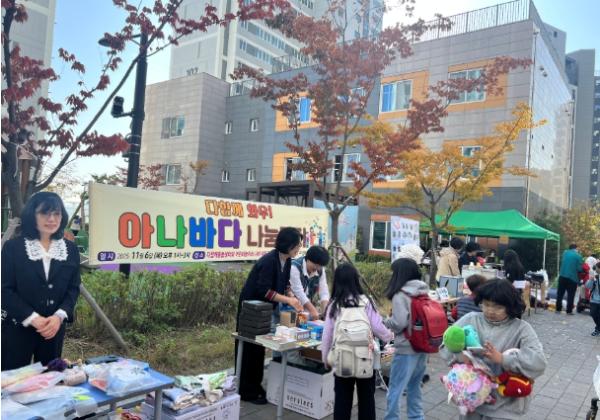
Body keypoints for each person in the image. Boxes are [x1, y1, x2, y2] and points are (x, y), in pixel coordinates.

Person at [440, 279, 547, 419]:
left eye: (498, 307)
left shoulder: (522, 329)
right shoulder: (471, 319)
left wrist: (503, 359)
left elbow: (539, 363)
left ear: (510, 306)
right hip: (472, 400)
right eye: (486, 304)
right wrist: (461, 356)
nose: (490, 311)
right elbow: (445, 346)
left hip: (505, 407)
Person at [1, 192, 81, 370]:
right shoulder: (13, 248)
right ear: (32, 215)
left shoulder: (70, 249)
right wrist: (33, 318)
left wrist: (59, 317)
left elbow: (73, 288)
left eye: (56, 213)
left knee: (50, 377)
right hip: (18, 326)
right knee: (13, 380)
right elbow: (4, 290)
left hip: (53, 328)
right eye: (45, 213)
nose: (51, 219)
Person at [236, 227, 304, 404]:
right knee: (249, 347)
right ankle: (245, 390)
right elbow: (264, 290)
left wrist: (291, 295)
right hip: (252, 308)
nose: (299, 248)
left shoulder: (287, 261)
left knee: (260, 347)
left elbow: (285, 284)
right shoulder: (268, 261)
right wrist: (288, 300)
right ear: (288, 245)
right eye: (297, 245)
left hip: (265, 309)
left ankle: (255, 385)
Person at [321, 263, 392, 420]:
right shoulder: (366, 301)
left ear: (337, 281)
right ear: (355, 280)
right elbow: (378, 328)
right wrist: (389, 337)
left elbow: (327, 335)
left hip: (342, 359)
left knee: (342, 399)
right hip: (364, 357)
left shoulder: (334, 304)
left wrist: (325, 358)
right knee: (367, 398)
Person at [383, 258, 430, 420]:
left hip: (406, 348)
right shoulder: (423, 291)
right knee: (414, 387)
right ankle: (417, 417)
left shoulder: (401, 294)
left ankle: (391, 418)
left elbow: (399, 323)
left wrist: (385, 321)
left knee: (395, 388)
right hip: (422, 346)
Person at [289, 245, 330, 320]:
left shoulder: (320, 270)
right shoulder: (294, 268)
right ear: (307, 259)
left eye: (320, 266)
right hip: (290, 310)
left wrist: (326, 311)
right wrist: (313, 310)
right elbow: (299, 293)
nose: (317, 268)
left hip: (305, 311)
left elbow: (324, 292)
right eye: (315, 265)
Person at [557, 244, 584, 315]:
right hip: (572, 278)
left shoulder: (565, 253)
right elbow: (579, 269)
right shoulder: (578, 256)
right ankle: (569, 311)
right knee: (571, 295)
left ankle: (558, 309)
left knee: (560, 294)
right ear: (576, 248)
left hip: (562, 276)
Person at [586, 263, 600, 336]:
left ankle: (597, 329)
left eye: (596, 267)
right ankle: (598, 327)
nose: (595, 269)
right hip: (594, 300)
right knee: (593, 314)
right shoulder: (595, 277)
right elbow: (588, 286)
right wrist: (591, 280)